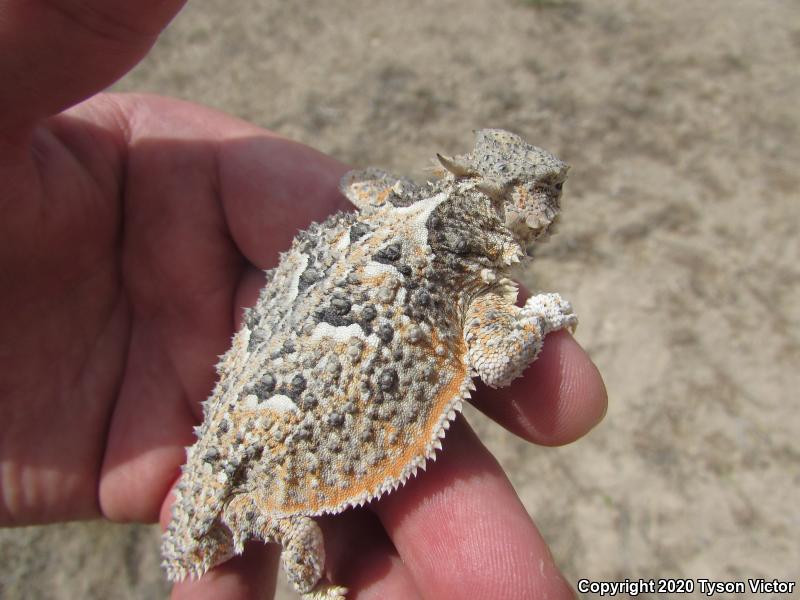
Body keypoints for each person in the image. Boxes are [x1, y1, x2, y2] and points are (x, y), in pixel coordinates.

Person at [0, 2, 607, 598]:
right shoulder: (469, 276)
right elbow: (498, 357)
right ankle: (292, 547)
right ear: (524, 207)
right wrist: (541, 316)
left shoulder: (398, 200)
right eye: (548, 190)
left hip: (259, 395)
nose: (553, 199)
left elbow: (356, 182)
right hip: (274, 431)